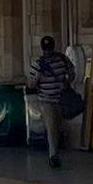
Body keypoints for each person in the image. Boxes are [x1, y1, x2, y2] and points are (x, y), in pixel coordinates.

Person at [25, 34, 80, 169]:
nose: (47, 52)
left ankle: (55, 151)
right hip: (46, 100)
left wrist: (67, 82)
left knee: (57, 126)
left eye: (49, 49)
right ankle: (53, 155)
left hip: (60, 99)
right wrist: (37, 77)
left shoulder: (62, 59)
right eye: (45, 49)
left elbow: (72, 72)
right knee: (51, 126)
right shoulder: (38, 64)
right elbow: (30, 85)